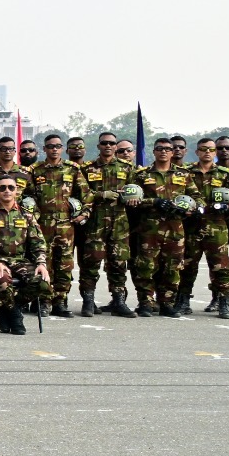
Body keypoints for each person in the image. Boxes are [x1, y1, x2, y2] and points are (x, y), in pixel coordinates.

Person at [130, 138, 200, 317]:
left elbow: (197, 198)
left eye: (168, 149)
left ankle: (167, 302)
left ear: (172, 152)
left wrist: (189, 208)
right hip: (149, 229)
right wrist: (154, 202)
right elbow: (132, 200)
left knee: (173, 267)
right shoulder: (143, 175)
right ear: (154, 152)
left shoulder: (184, 174)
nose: (164, 152)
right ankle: (146, 302)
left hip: (175, 228)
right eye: (159, 148)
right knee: (146, 266)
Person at [0, 174, 50, 334]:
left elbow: (38, 242)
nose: (7, 191)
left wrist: (41, 263)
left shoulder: (27, 215)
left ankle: (5, 309)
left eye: (11, 188)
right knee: (3, 280)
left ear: (17, 191)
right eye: (2, 188)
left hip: (21, 261)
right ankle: (15, 317)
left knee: (43, 283)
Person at [177, 138, 229, 318]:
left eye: (211, 149)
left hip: (217, 227)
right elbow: (176, 195)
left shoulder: (225, 174)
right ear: (196, 152)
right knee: (187, 266)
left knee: (221, 267)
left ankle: (223, 303)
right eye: (203, 149)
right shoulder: (186, 173)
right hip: (192, 227)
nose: (207, 152)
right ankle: (183, 301)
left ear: (215, 153)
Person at [30, 134, 91, 317]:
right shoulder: (35, 170)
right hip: (43, 224)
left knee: (64, 266)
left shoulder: (72, 169)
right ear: (44, 149)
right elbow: (27, 196)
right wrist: (32, 217)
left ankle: (60, 301)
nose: (54, 149)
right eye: (50, 146)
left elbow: (86, 194)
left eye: (57, 146)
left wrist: (84, 214)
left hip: (66, 225)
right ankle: (44, 301)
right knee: (44, 264)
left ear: (62, 149)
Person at [79, 132, 138, 317]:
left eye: (112, 143)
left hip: (119, 222)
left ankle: (118, 301)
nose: (108, 146)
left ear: (115, 146)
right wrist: (101, 194)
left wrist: (133, 198)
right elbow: (81, 193)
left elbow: (136, 191)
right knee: (91, 262)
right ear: (98, 146)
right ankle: (88, 302)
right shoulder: (87, 169)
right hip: (95, 222)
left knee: (119, 263)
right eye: (104, 143)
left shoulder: (127, 168)